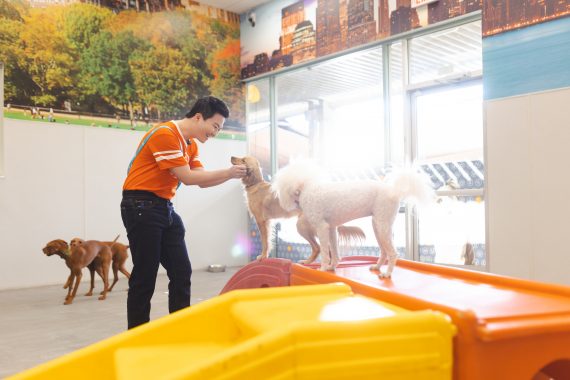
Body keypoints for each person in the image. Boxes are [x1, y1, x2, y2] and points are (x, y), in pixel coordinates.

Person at [120, 96, 247, 329]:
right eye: (215, 126)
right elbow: (188, 178)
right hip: (140, 206)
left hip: (163, 207)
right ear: (198, 117)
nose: (215, 132)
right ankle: (136, 335)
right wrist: (229, 173)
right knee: (145, 275)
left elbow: (202, 181)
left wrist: (232, 175)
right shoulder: (166, 134)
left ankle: (180, 328)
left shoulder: (190, 144)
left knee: (181, 271)